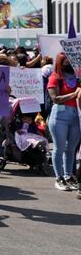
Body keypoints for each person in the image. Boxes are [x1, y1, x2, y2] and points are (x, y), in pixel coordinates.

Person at [46, 52, 81, 191]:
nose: (69, 64)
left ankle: (68, 176)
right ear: (60, 63)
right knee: (59, 148)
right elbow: (55, 98)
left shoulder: (78, 77)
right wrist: (74, 93)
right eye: (65, 62)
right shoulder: (55, 77)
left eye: (71, 61)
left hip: (76, 115)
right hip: (60, 115)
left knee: (71, 149)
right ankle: (59, 177)